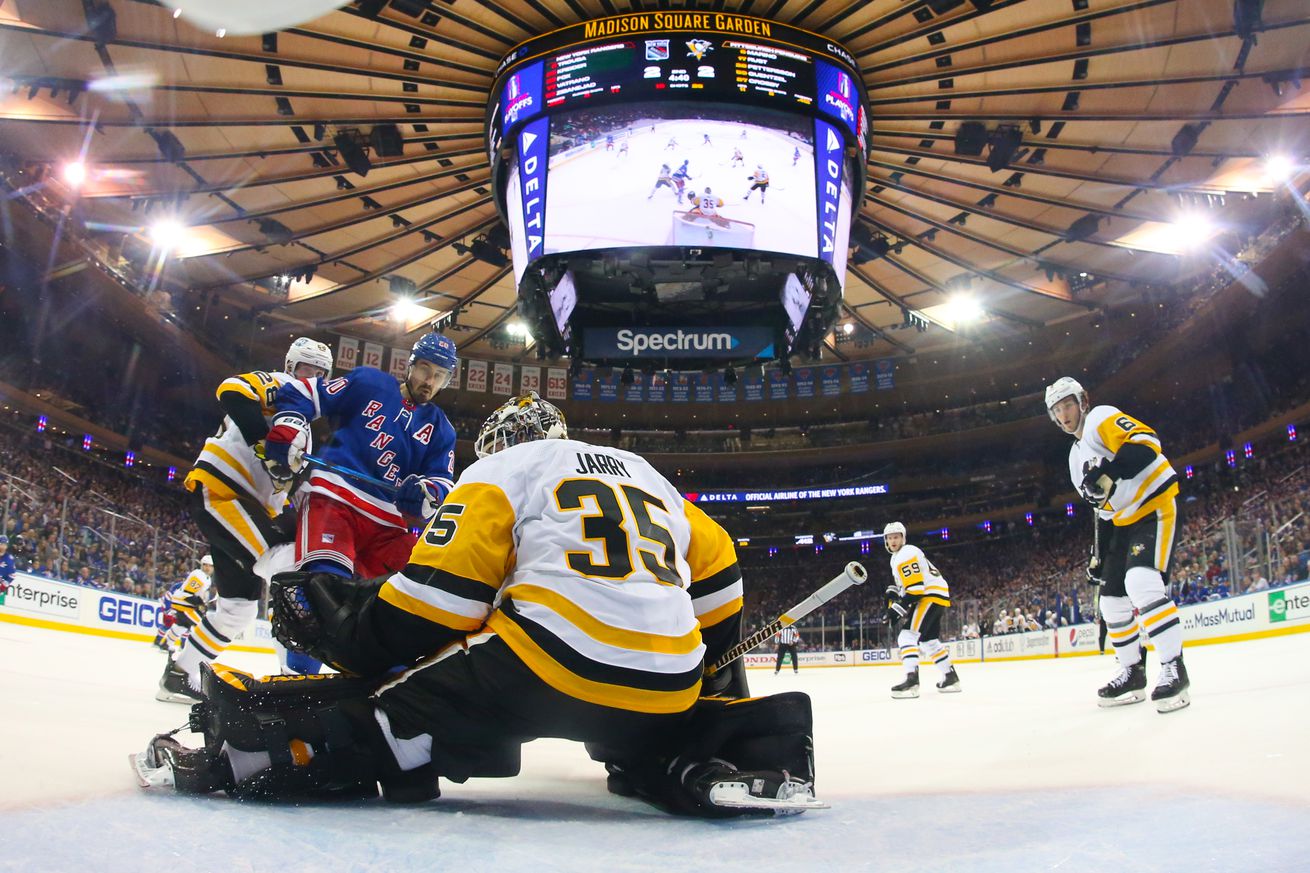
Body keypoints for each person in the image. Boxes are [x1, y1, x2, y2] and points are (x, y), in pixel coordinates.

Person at [133, 392, 822, 817]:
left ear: (499, 445)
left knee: (395, 704)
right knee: (649, 713)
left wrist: (341, 621)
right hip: (666, 682)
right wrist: (712, 686)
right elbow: (721, 564)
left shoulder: (500, 471)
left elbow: (428, 609)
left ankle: (246, 754)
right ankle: (707, 755)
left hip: (541, 666)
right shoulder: (646, 474)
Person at [159, 338, 333, 703]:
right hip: (224, 494)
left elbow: (291, 484)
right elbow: (233, 389)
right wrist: (263, 443)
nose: (311, 378)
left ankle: (179, 674)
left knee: (237, 609)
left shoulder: (308, 431)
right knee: (287, 566)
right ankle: (292, 683)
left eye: (320, 374)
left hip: (245, 508)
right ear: (290, 367)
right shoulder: (282, 388)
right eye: (306, 369)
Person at [264, 332, 458, 581]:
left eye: (439, 376)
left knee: (416, 589)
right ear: (410, 365)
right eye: (424, 370)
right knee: (327, 587)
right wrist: (291, 425)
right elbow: (305, 391)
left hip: (390, 525)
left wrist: (426, 493)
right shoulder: (368, 382)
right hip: (334, 501)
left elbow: (442, 480)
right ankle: (285, 565)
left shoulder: (442, 428)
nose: (430, 381)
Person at [1046, 376, 1189, 713]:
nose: (1063, 414)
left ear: (1082, 400)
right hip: (1123, 522)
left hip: (1154, 506)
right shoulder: (1073, 458)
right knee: (1110, 602)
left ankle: (1174, 667)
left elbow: (1145, 442)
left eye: (1067, 404)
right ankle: (1132, 672)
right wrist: (1099, 554)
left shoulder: (1100, 418)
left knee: (1142, 582)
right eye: (1056, 410)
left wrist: (1109, 473)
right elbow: (1102, 510)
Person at [882, 521, 960, 698]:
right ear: (886, 540)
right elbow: (909, 589)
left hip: (929, 595)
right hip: (936, 594)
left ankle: (912, 681)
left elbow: (916, 590)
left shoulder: (905, 553)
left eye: (896, 537)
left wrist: (895, 610)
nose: (893, 540)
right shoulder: (898, 557)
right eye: (890, 537)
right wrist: (895, 599)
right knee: (928, 640)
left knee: (907, 635)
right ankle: (950, 677)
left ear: (903, 538)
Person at [155, 556, 213, 653]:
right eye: (205, 565)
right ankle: (202, 650)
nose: (207, 568)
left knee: (181, 626)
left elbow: (194, 594)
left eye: (210, 566)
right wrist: (200, 604)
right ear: (201, 565)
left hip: (185, 604)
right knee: (202, 624)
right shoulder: (199, 575)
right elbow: (187, 594)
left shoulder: (206, 578)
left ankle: (166, 645)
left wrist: (200, 603)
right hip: (184, 604)